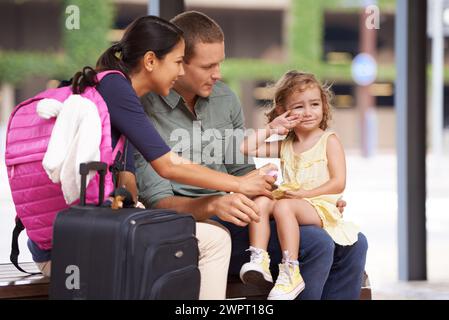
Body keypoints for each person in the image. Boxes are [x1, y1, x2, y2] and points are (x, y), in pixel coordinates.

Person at [135, 11, 368, 300]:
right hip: (200, 227)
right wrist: (214, 204)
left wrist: (312, 201)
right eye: (208, 66)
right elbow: (159, 201)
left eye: (220, 63)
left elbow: (241, 171)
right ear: (180, 63)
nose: (218, 74)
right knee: (317, 243)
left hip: (244, 219)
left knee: (353, 242)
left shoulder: (225, 98)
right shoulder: (145, 109)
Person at [28, 16, 274, 283]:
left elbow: (129, 189)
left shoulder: (114, 92)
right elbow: (168, 165)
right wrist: (237, 185)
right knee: (213, 239)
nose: (180, 72)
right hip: (72, 244)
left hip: (72, 234)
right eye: (178, 62)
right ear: (150, 61)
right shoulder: (118, 91)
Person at [239, 71, 361, 300]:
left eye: (314, 104)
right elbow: (247, 148)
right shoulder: (286, 144)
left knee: (284, 207)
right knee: (262, 200)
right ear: (283, 111)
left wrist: (305, 194)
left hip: (320, 206)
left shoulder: (329, 140)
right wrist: (272, 128)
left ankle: (291, 271)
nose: (307, 112)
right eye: (298, 107)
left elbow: (338, 182)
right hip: (295, 201)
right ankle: (258, 259)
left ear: (324, 106)